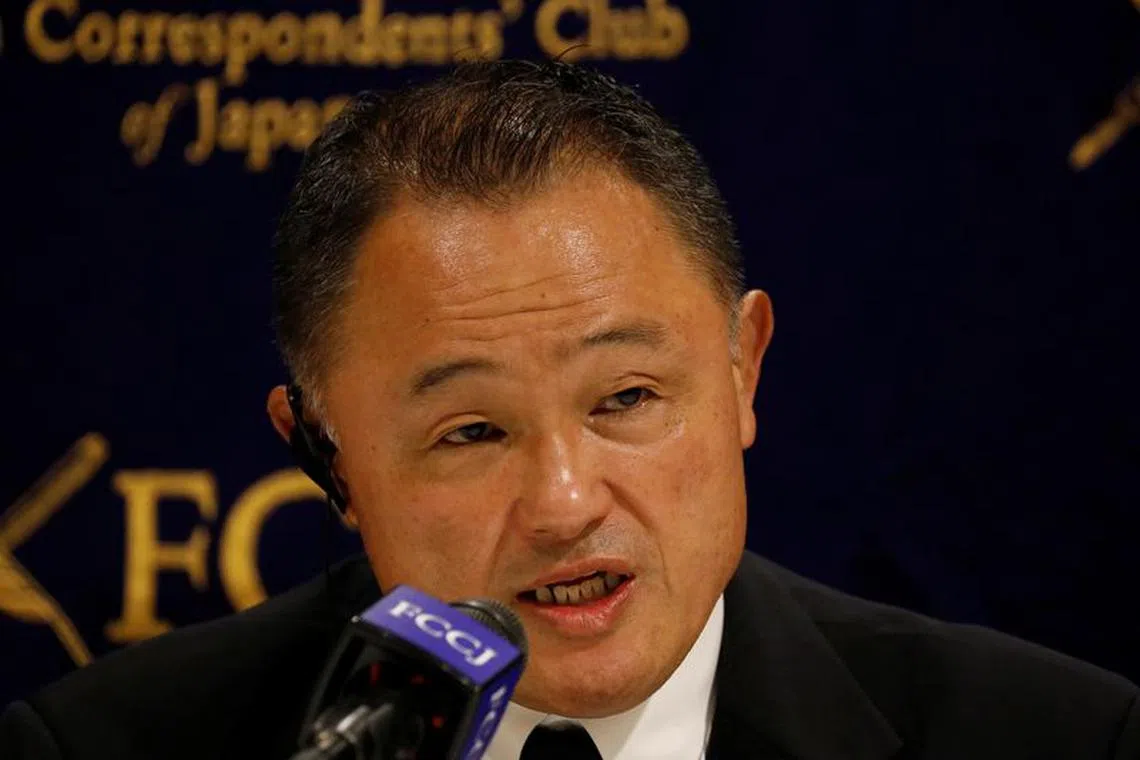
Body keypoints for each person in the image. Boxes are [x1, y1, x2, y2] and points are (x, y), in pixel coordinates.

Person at [1, 59, 1137, 760]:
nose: (564, 501)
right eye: (472, 431)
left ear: (743, 371)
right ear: (325, 453)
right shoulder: (99, 745)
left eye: (628, 398)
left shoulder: (1060, 736)